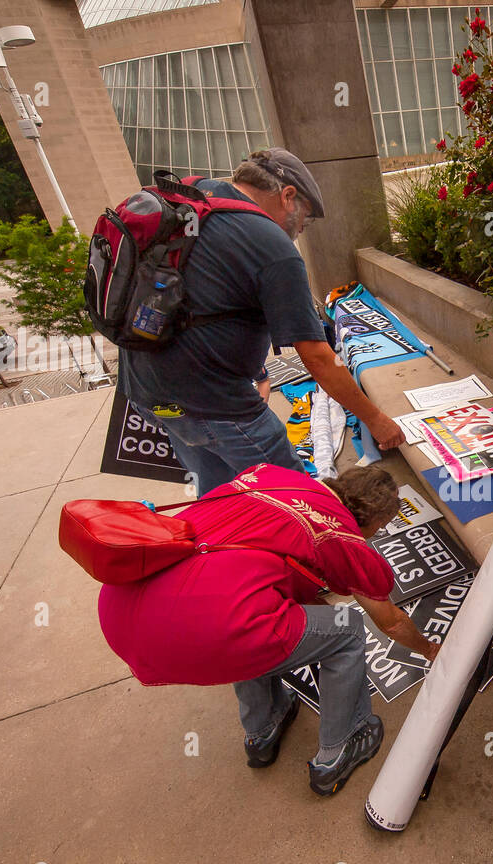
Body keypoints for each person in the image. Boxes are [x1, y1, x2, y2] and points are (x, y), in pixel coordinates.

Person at [97, 463, 439, 796]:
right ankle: (340, 746)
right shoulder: (341, 535)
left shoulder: (271, 475)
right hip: (204, 629)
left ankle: (263, 731)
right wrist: (429, 649)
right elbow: (390, 620)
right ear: (377, 522)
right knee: (344, 628)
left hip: (122, 601)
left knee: (249, 608)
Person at [117, 147, 405, 498]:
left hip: (147, 390)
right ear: (288, 196)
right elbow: (317, 358)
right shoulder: (270, 244)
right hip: (215, 403)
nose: (301, 230)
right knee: (299, 502)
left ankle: (234, 543)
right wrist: (375, 419)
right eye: (306, 219)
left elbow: (202, 296)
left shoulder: (192, 195)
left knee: (222, 499)